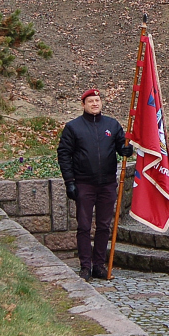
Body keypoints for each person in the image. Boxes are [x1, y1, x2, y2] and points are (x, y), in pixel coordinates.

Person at [57, 88, 133, 281]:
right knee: (83, 226)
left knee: (103, 226)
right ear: (83, 104)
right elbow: (64, 154)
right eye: (90, 101)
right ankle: (85, 266)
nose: (95, 104)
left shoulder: (112, 125)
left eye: (97, 100)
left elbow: (120, 147)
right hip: (84, 184)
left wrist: (126, 150)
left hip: (107, 184)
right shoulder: (74, 127)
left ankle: (99, 265)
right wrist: (69, 181)